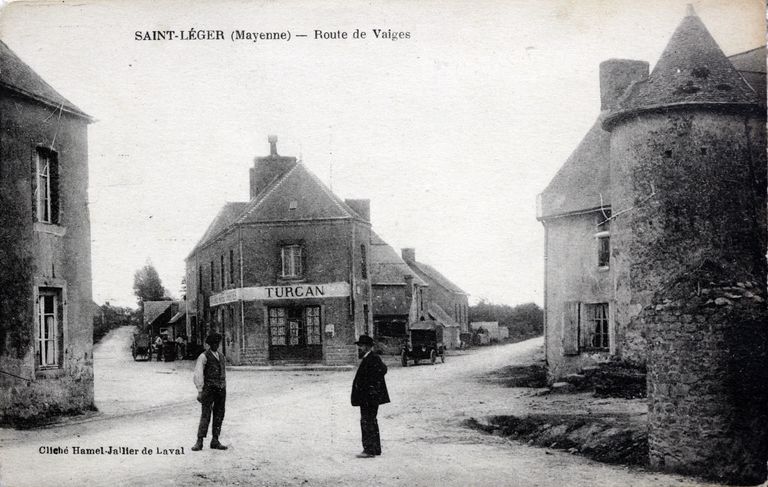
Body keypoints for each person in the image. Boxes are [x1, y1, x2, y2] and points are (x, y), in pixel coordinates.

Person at [350, 334, 389, 458]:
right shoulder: (370, 358)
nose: (359, 348)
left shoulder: (372, 359)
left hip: (369, 398)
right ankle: (375, 449)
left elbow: (382, 370)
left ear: (367, 347)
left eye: (360, 346)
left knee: (367, 422)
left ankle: (369, 450)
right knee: (371, 421)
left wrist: (371, 389)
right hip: (370, 397)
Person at [191, 333, 228, 451]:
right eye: (213, 343)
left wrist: (223, 386)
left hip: (221, 389)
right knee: (206, 414)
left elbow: (223, 373)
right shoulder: (203, 356)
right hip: (209, 389)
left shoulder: (221, 356)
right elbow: (198, 373)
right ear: (209, 344)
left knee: (219, 414)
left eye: (217, 343)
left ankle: (215, 440)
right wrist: (200, 390)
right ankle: (199, 441)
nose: (216, 345)